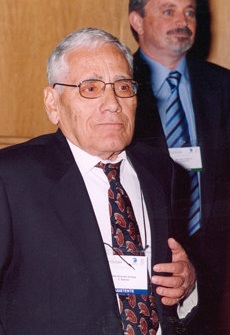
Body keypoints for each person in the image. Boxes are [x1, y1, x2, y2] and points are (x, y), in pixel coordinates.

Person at [0, 28, 197, 335]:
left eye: (122, 87)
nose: (113, 104)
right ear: (53, 103)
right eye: (90, 89)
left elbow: (172, 281)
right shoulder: (11, 178)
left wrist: (186, 285)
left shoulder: (162, 171)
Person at [128, 0, 230, 334]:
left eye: (189, 12)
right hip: (143, 261)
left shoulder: (222, 85)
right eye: (168, 10)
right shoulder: (116, 85)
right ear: (137, 21)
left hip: (217, 263)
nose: (183, 20)